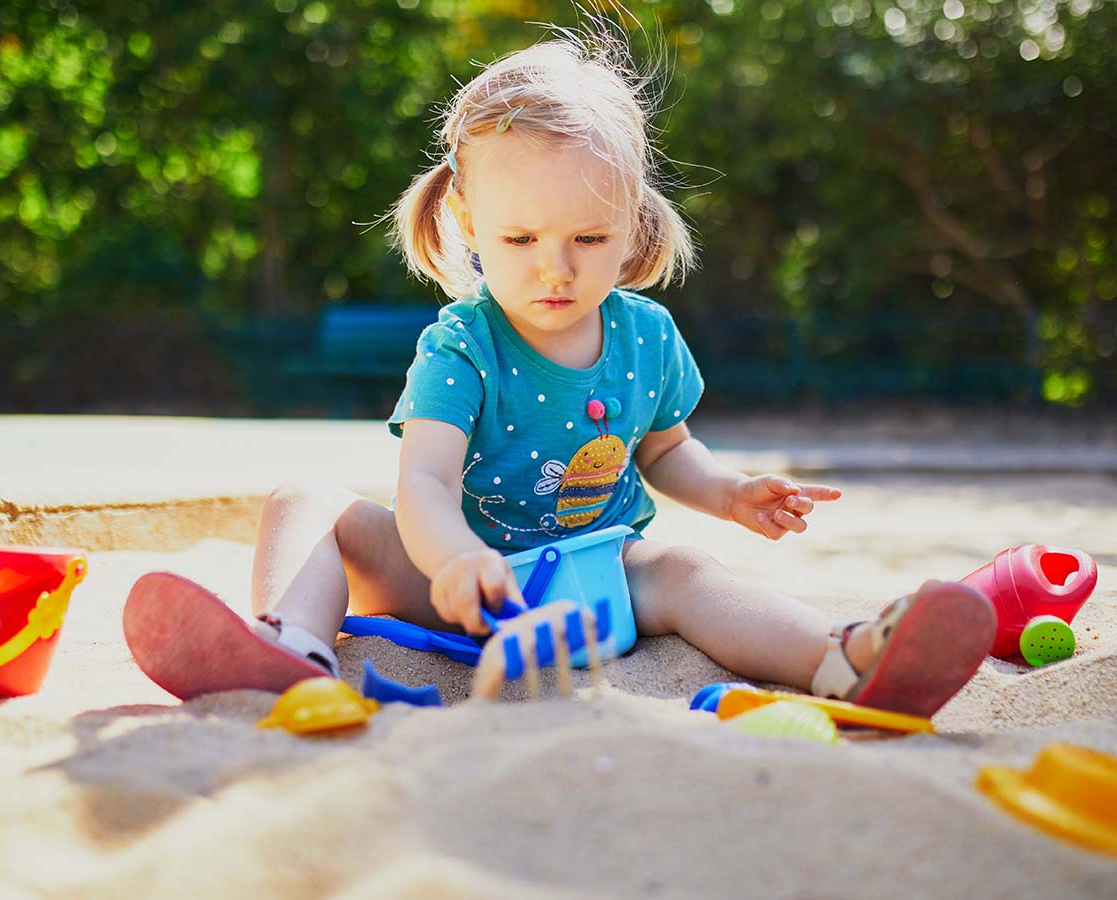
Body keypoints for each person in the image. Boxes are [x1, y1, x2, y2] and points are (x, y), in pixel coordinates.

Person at [124, 38, 995, 713]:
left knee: (689, 571)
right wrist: (458, 559)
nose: (557, 269)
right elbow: (424, 482)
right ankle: (295, 651)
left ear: (633, 222)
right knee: (305, 502)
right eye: (520, 239)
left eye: (589, 238)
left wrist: (728, 493)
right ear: (468, 219)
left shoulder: (646, 335)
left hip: (598, 574)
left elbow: (665, 451)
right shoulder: (462, 345)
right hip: (458, 579)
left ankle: (840, 660)